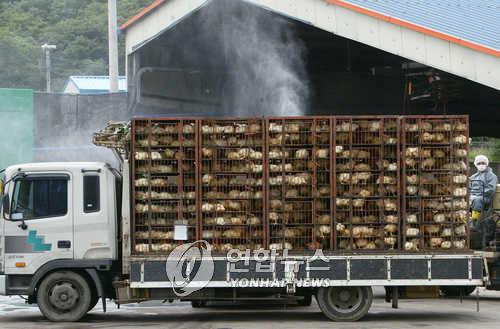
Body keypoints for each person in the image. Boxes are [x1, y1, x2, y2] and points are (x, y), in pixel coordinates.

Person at [469, 155, 498, 220]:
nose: (481, 165)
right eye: (479, 163)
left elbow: (490, 190)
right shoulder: (474, 176)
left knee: (477, 200)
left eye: (483, 163)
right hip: (473, 196)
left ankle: (474, 221)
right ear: (476, 165)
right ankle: (467, 219)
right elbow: (469, 187)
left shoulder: (492, 176)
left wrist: (476, 194)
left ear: (486, 164)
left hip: (485, 198)